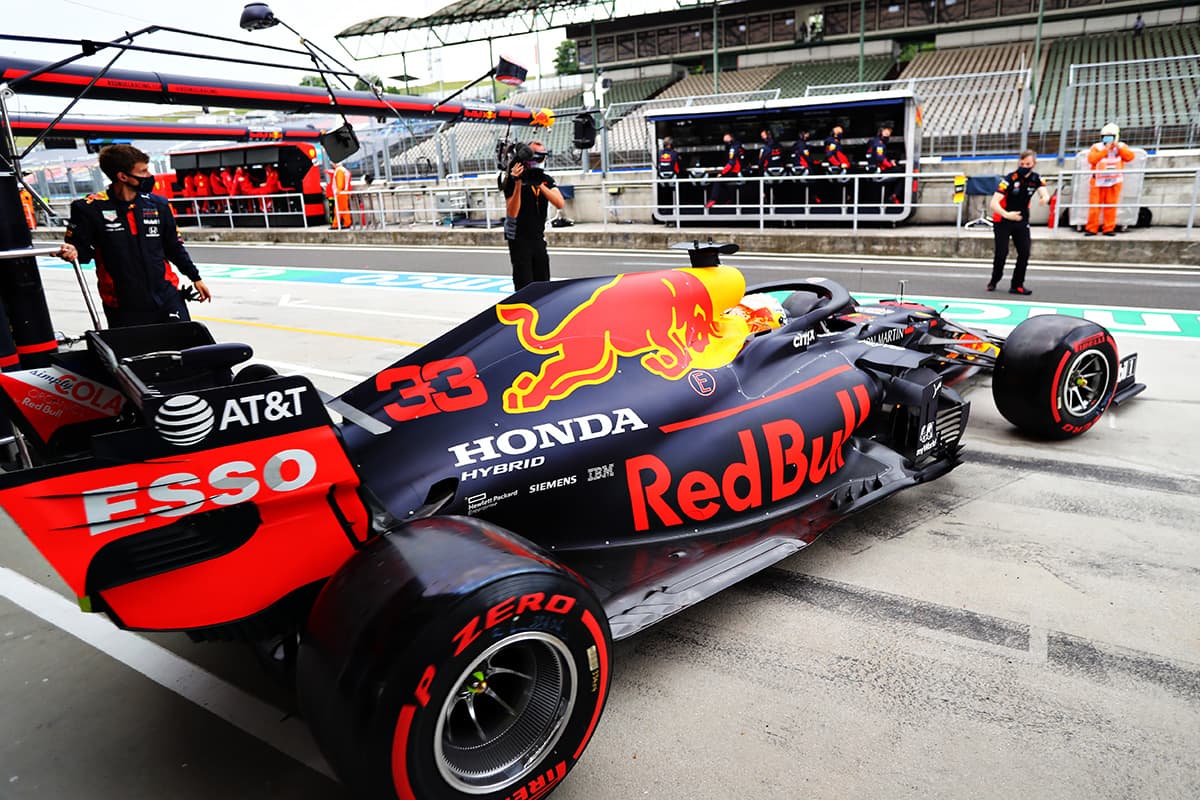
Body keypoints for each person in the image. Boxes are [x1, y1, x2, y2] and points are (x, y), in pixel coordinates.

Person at [57, 144, 211, 327]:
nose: (149, 176)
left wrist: (195, 277)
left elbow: (174, 246)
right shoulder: (89, 208)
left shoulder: (158, 205)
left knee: (183, 350)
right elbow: (80, 252)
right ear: (123, 176)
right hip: (122, 303)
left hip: (166, 297)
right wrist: (71, 251)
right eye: (144, 171)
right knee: (137, 354)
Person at [503, 141, 564, 290]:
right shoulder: (512, 178)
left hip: (538, 236)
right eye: (536, 157)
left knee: (543, 281)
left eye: (542, 157)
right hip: (519, 238)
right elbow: (512, 212)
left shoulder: (545, 179)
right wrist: (518, 183)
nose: (539, 162)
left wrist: (539, 184)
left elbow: (559, 203)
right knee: (524, 283)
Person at [988, 149, 1050, 296]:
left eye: (1027, 164)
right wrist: (1006, 214)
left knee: (1024, 252)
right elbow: (993, 203)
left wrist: (1044, 199)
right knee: (1001, 253)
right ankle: (994, 280)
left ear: (1034, 164)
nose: (1024, 166)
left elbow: (1044, 193)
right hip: (1003, 220)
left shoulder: (1036, 178)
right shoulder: (1010, 178)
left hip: (1021, 220)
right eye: (1021, 163)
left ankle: (1017, 284)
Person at [1085, 122, 1136, 237]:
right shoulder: (1097, 147)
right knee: (1094, 206)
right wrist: (1105, 150)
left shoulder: (1122, 147)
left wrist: (1118, 147)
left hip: (1114, 181)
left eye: (1111, 136)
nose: (1108, 139)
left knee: (1111, 205)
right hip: (1097, 181)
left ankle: (1108, 228)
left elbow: (1130, 157)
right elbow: (1092, 159)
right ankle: (1092, 228)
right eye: (1105, 136)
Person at [705, 132, 745, 209]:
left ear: (731, 138)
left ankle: (713, 199)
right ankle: (729, 199)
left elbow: (731, 163)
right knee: (724, 183)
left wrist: (722, 172)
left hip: (735, 172)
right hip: (740, 171)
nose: (724, 139)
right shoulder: (738, 146)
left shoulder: (733, 148)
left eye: (726, 137)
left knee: (718, 179)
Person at [327, 161, 352, 229]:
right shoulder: (343, 170)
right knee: (344, 209)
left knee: (338, 209)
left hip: (340, 193)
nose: (332, 165)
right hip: (344, 193)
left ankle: (336, 225)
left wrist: (337, 191)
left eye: (332, 164)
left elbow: (340, 184)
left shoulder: (339, 171)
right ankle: (347, 223)